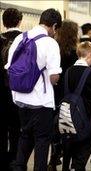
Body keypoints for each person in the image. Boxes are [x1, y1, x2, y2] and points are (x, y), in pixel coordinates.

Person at [4, 8, 62, 170]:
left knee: (25, 135)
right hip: (40, 102)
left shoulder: (20, 38)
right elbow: (53, 77)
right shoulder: (50, 43)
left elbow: (9, 67)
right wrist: (57, 77)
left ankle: (19, 167)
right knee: (42, 141)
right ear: (54, 26)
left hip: (20, 98)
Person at [61, 41, 91, 171]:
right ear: (90, 55)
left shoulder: (68, 71)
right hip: (85, 120)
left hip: (66, 119)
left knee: (68, 151)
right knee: (81, 157)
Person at [48, 19, 79, 170]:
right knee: (67, 130)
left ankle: (54, 157)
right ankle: (65, 162)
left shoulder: (54, 50)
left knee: (53, 127)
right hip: (69, 96)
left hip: (53, 93)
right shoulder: (76, 54)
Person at [0, 8, 23, 170]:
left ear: (3, 23)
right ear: (20, 21)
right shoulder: (24, 40)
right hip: (17, 91)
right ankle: (15, 159)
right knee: (17, 128)